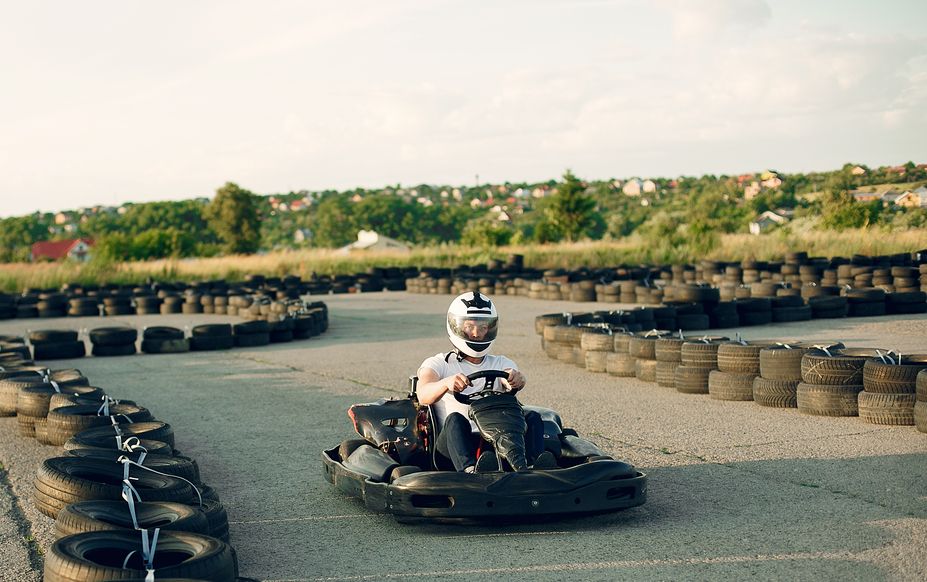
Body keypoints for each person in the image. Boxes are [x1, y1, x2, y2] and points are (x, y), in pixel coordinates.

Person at [416, 291, 557, 473]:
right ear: (456, 327)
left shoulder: (501, 362)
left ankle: (532, 467)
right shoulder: (438, 363)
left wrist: (515, 379)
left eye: (482, 327)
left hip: (497, 442)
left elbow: (510, 378)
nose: (476, 333)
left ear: (490, 329)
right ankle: (470, 471)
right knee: (455, 420)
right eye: (469, 326)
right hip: (454, 448)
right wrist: (445, 383)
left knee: (533, 417)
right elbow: (423, 394)